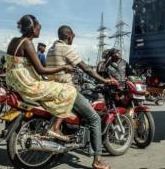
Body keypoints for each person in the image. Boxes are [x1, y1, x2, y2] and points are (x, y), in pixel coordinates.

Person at [46, 25, 118, 169]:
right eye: (73, 35)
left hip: (53, 89)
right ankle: (97, 159)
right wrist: (104, 80)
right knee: (95, 118)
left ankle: (61, 144)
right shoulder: (66, 48)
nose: (73, 38)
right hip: (66, 90)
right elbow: (86, 68)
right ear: (68, 36)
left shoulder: (51, 49)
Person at [6, 14, 77, 141]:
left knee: (52, 88)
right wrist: (63, 68)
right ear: (33, 29)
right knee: (69, 89)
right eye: (39, 27)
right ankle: (55, 128)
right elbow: (41, 69)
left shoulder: (14, 41)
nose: (40, 29)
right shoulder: (27, 43)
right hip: (27, 85)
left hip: (15, 83)